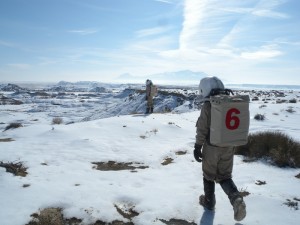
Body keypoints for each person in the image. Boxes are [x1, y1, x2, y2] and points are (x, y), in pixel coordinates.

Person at [194, 76, 246, 221]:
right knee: (224, 176)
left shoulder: (209, 105)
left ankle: (209, 203)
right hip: (229, 146)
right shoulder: (230, 103)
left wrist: (198, 146)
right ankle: (236, 199)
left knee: (208, 175)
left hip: (212, 147)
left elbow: (202, 128)